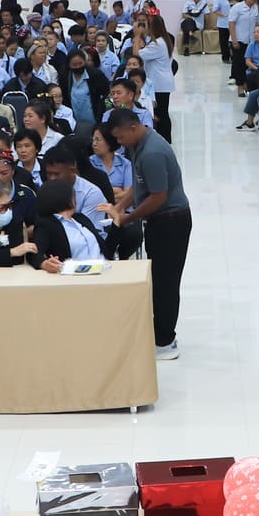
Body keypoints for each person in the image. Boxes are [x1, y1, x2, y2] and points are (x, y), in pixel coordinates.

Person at [103, 109, 189, 360]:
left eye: (120, 137)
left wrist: (127, 219)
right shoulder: (137, 145)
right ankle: (158, 332)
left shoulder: (152, 152)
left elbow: (158, 196)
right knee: (158, 279)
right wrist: (120, 206)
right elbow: (139, 183)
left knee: (166, 282)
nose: (119, 143)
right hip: (159, 220)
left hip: (171, 221)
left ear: (133, 128)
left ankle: (165, 341)